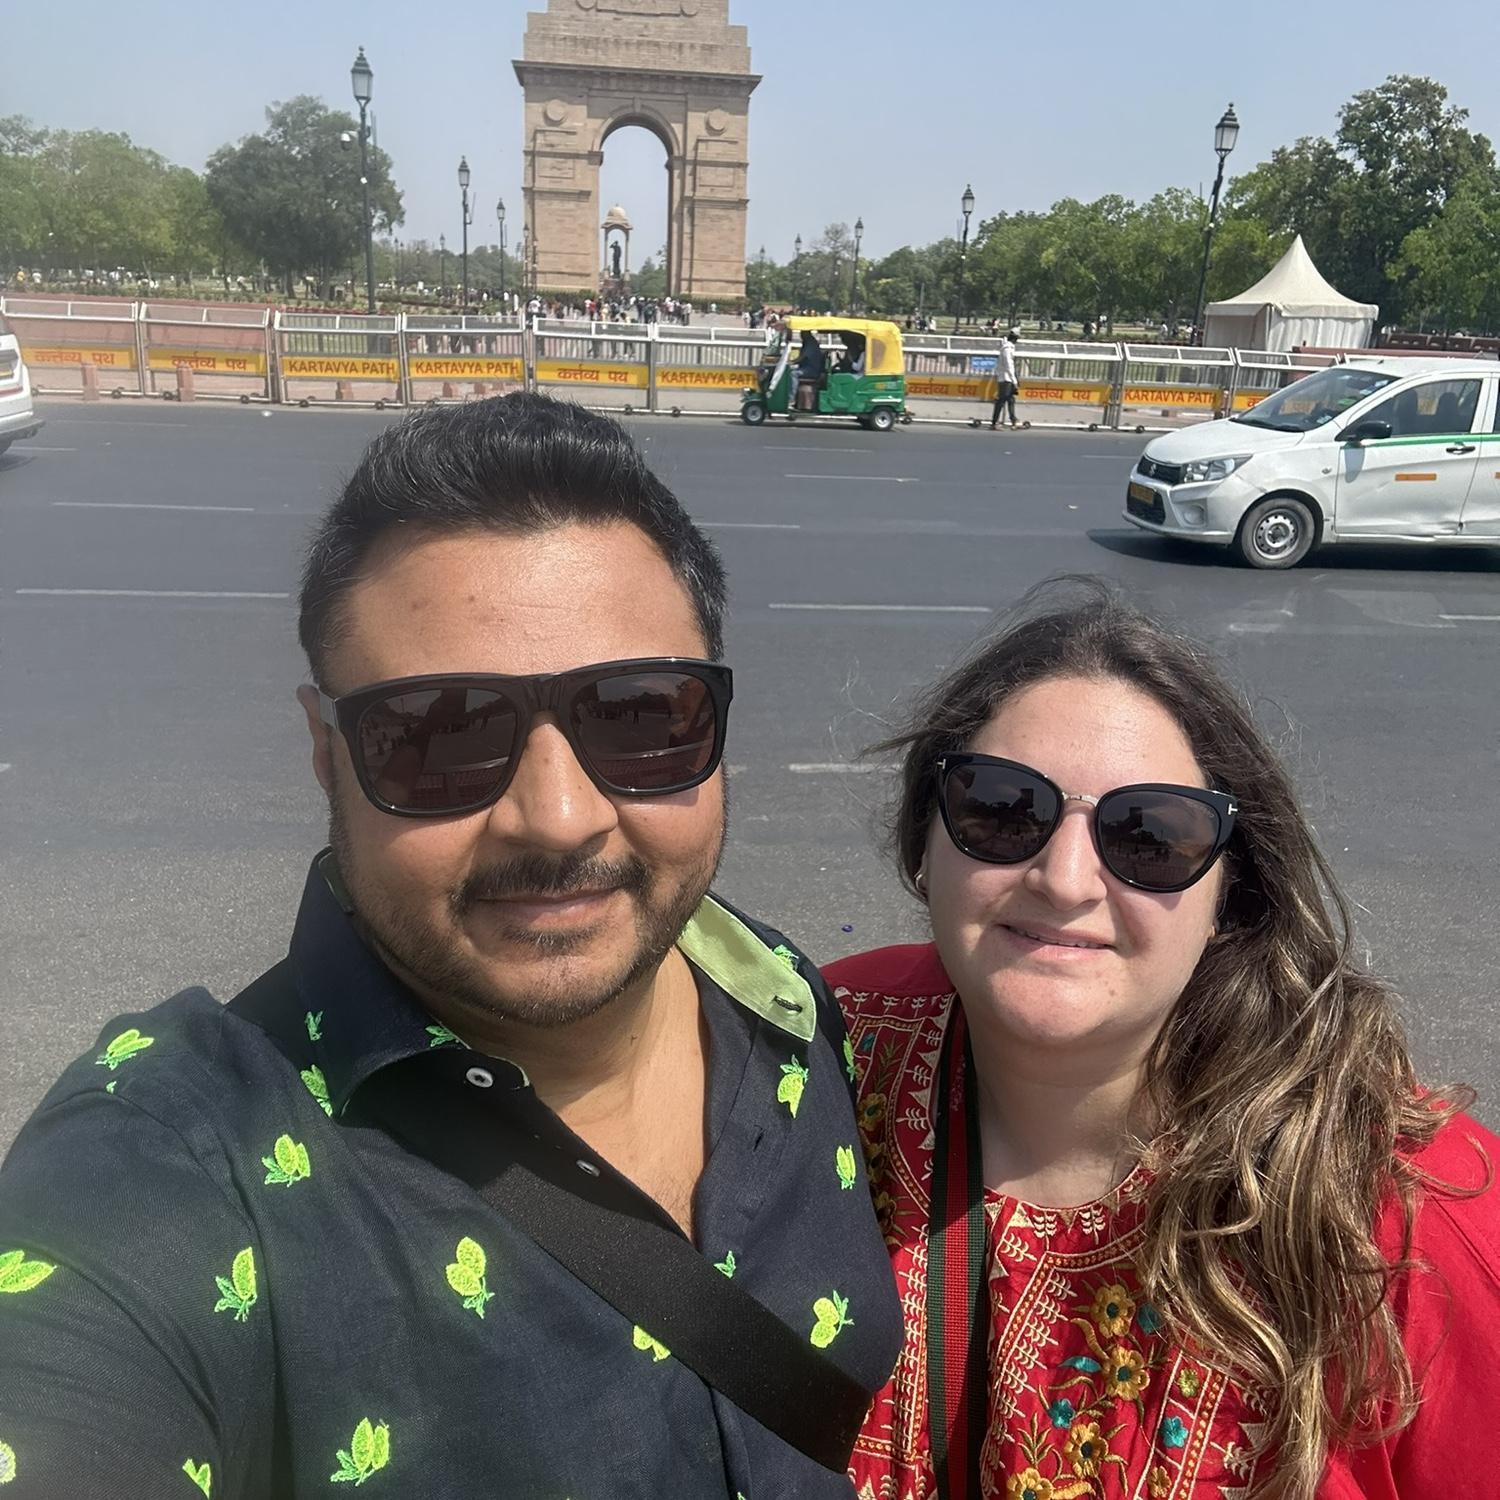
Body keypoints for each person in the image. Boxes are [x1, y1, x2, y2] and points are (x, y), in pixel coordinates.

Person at [0, 394, 902, 1497]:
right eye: (438, 736)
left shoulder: (787, 1007)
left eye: (638, 714)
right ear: (327, 752)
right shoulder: (170, 1164)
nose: (558, 818)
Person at [829, 580, 1500, 1500]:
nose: (1066, 879)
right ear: (925, 841)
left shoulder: (1403, 1220)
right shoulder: (825, 1053)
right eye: (1003, 809)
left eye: (1148, 836)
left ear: (1230, 894)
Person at [989, 328, 1019, 430]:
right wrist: (1014, 380)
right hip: (1006, 378)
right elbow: (1009, 365)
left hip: (1006, 377)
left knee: (1011, 399)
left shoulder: (1007, 348)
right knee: (1001, 401)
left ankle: (1013, 420)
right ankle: (994, 422)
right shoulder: (1007, 349)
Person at [790, 329, 827, 410]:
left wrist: (791, 362)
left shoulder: (811, 343)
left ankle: (791, 399)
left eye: (802, 333)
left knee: (793, 374)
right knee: (791, 371)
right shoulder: (807, 343)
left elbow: (803, 358)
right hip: (806, 368)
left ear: (806, 333)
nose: (801, 335)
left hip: (811, 370)